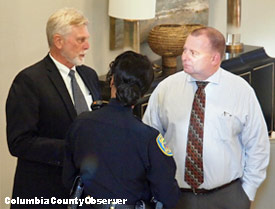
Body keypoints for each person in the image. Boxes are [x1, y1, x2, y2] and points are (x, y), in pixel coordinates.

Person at [142, 27, 270, 209]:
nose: (185, 57)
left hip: (227, 196)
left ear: (214, 58)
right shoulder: (166, 89)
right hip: (176, 195)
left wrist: (247, 193)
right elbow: (149, 139)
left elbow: (257, 145)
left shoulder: (240, 91)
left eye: (193, 52)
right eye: (185, 50)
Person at [6, 8, 101, 209]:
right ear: (58, 41)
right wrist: (72, 150)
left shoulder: (89, 75)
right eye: (80, 40)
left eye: (87, 39)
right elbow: (19, 142)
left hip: (87, 193)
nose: (87, 46)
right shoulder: (29, 81)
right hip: (45, 193)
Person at [63, 51, 184, 209]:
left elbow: (68, 179)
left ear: (112, 80)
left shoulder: (81, 123)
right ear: (142, 92)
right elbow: (167, 194)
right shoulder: (149, 139)